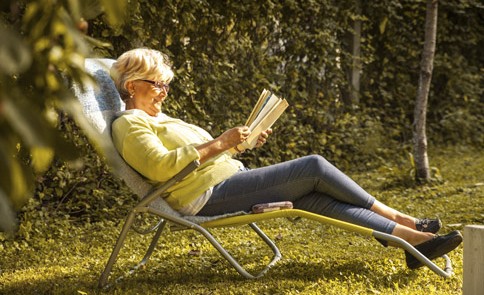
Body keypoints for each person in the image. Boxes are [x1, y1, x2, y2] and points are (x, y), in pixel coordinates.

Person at [109, 48, 462, 270]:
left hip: (228, 180)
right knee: (314, 166)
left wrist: (240, 145)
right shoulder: (129, 124)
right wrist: (219, 143)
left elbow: (207, 156)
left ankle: (408, 241)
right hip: (205, 197)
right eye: (157, 84)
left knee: (312, 197)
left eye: (167, 86)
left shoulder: (165, 119)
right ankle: (401, 219)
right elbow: (160, 166)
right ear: (131, 86)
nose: (164, 92)